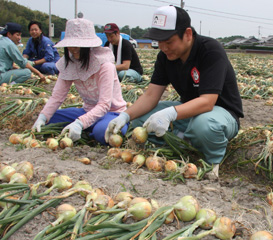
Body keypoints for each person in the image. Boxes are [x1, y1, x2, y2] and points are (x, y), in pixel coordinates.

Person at [105, 5, 243, 177]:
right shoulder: (165, 56)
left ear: (187, 34)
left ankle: (212, 163)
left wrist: (170, 114)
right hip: (190, 111)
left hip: (221, 114)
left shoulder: (210, 50)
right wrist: (125, 116)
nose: (163, 47)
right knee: (141, 119)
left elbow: (208, 102)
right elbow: (151, 95)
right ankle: (185, 142)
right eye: (159, 41)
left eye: (169, 41)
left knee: (204, 125)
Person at [31, 18, 128, 145]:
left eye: (78, 45)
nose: (73, 49)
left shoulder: (105, 65)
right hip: (87, 111)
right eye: (70, 45)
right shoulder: (69, 63)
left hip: (112, 113)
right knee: (50, 119)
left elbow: (104, 105)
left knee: (102, 131)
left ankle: (87, 129)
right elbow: (57, 96)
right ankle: (86, 128)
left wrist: (80, 123)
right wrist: (43, 117)